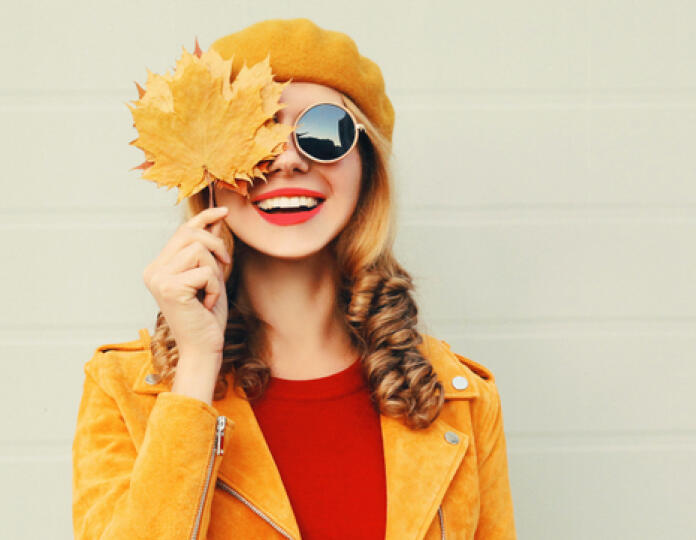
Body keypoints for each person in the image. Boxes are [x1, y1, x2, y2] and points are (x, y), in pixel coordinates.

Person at [72, 18, 517, 539]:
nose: (286, 159)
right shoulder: (123, 391)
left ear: (366, 167)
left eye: (323, 132)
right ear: (206, 170)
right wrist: (194, 370)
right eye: (255, 134)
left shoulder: (459, 400)